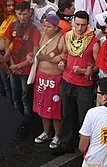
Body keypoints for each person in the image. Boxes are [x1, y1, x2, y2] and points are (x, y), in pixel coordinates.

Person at [53, 10, 99, 155]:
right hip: (67, 80)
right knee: (67, 114)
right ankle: (67, 143)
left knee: (84, 117)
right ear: (73, 22)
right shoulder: (68, 36)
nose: (80, 28)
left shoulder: (94, 41)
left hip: (84, 85)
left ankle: (86, 148)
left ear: (88, 24)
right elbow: (65, 55)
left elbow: (98, 65)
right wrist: (61, 62)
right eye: (77, 24)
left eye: (83, 25)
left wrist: (87, 69)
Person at [4, 1, 39, 139]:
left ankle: (27, 125)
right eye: (19, 14)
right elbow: (8, 47)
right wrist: (12, 64)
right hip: (14, 68)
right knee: (15, 97)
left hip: (26, 70)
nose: (22, 17)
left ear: (29, 13)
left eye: (24, 14)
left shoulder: (34, 30)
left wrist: (17, 67)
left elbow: (35, 54)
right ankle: (18, 122)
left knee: (25, 98)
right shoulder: (12, 26)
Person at [32, 13, 65, 148]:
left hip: (54, 79)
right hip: (41, 78)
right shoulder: (42, 34)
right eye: (44, 26)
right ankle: (46, 132)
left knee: (55, 110)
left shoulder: (62, 39)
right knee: (42, 107)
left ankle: (57, 135)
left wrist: (61, 58)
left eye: (49, 26)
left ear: (56, 27)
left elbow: (67, 54)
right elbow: (35, 51)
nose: (46, 29)